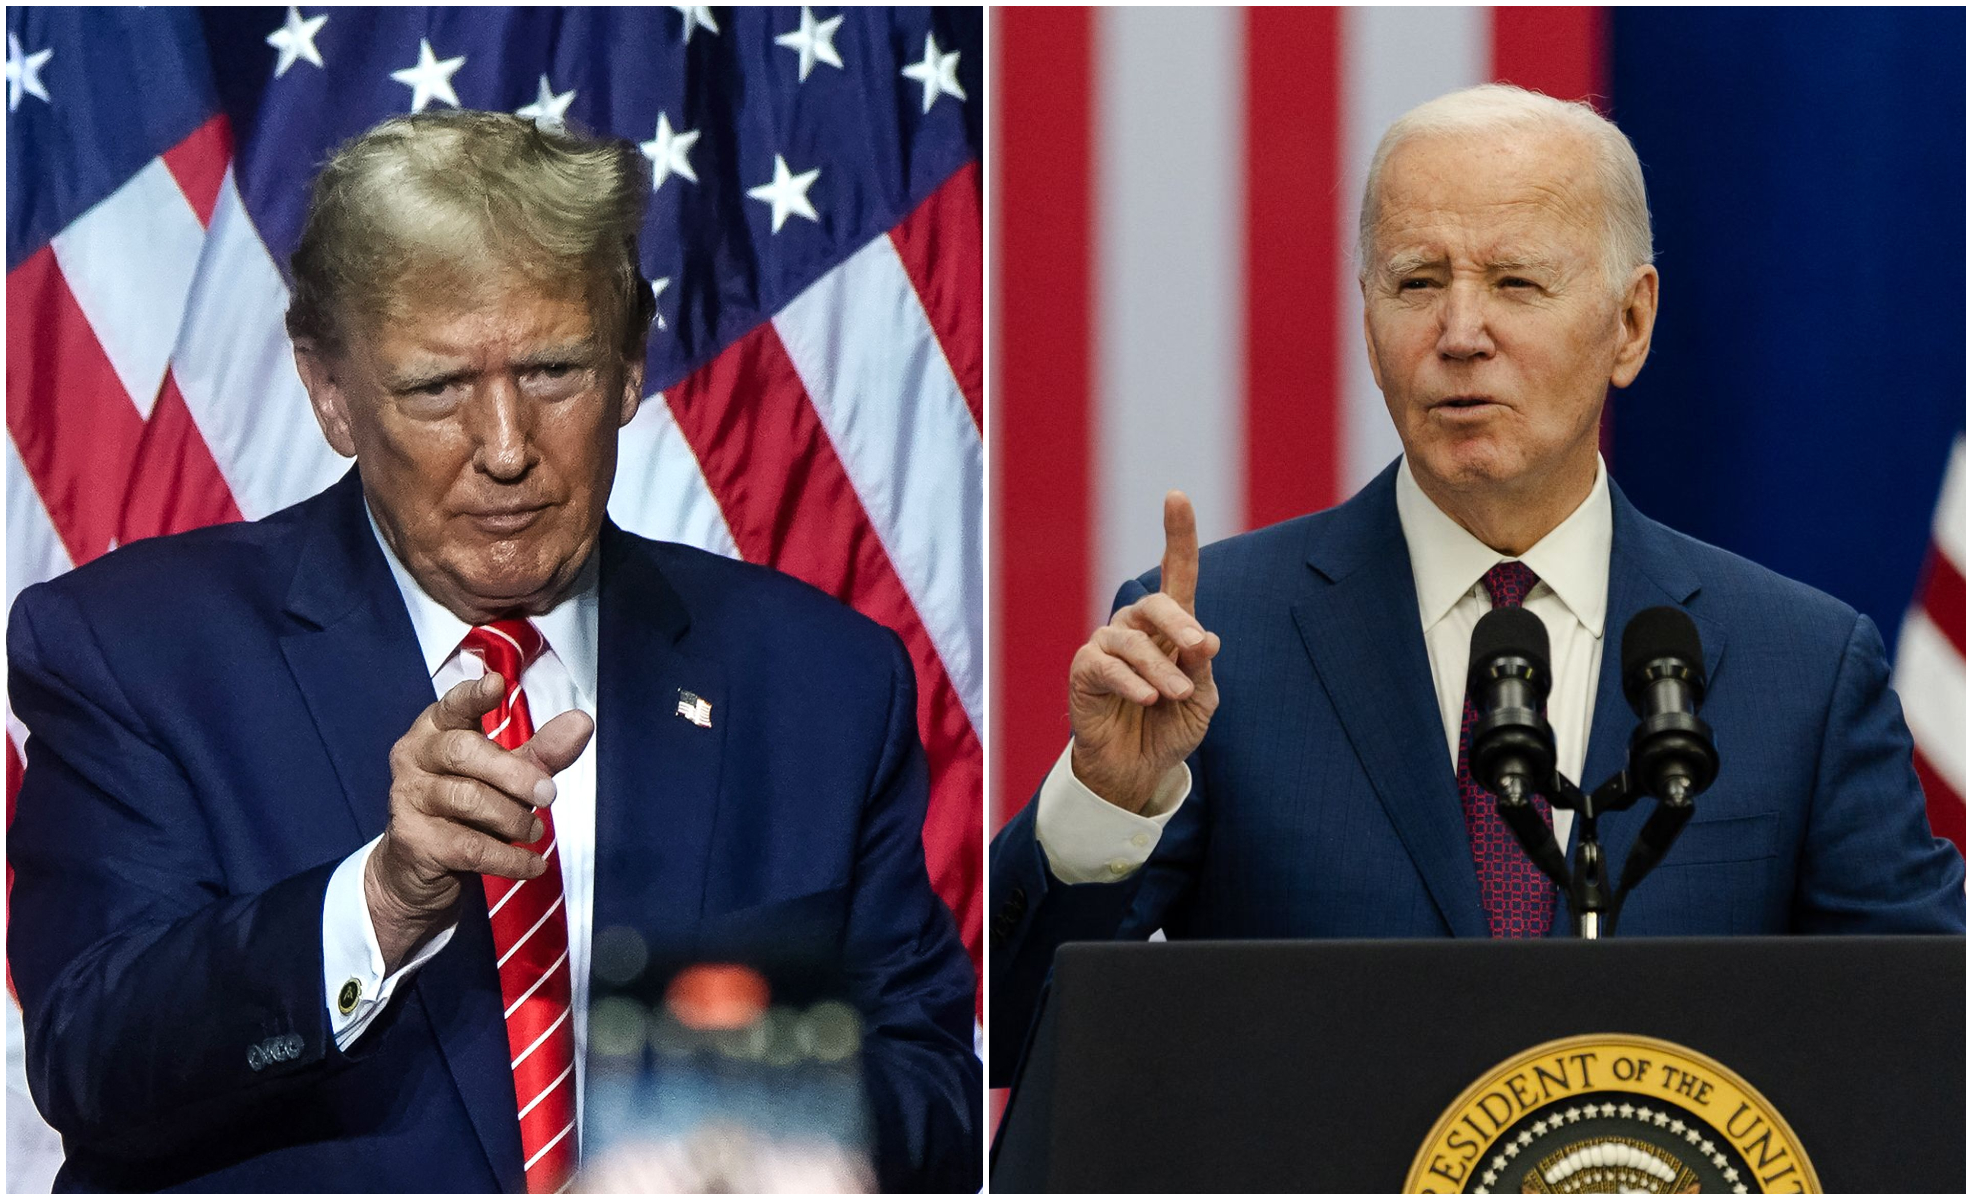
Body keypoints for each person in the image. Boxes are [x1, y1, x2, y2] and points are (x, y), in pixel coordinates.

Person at [7, 111, 978, 1192]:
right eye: (437, 389)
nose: (507, 450)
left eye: (555, 371)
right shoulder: (134, 653)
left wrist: (728, 1129)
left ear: (629, 364)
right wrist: (381, 901)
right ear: (329, 391)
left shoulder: (821, 682)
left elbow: (932, 1091)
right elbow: (90, 1055)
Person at [988, 84, 1965, 1082]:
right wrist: (1108, 802)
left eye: (1515, 282)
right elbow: (1014, 1030)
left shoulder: (1798, 669)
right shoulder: (1213, 641)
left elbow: (1933, 1050)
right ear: (1368, 323)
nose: (1459, 332)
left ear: (1630, 323)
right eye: (1416, 282)